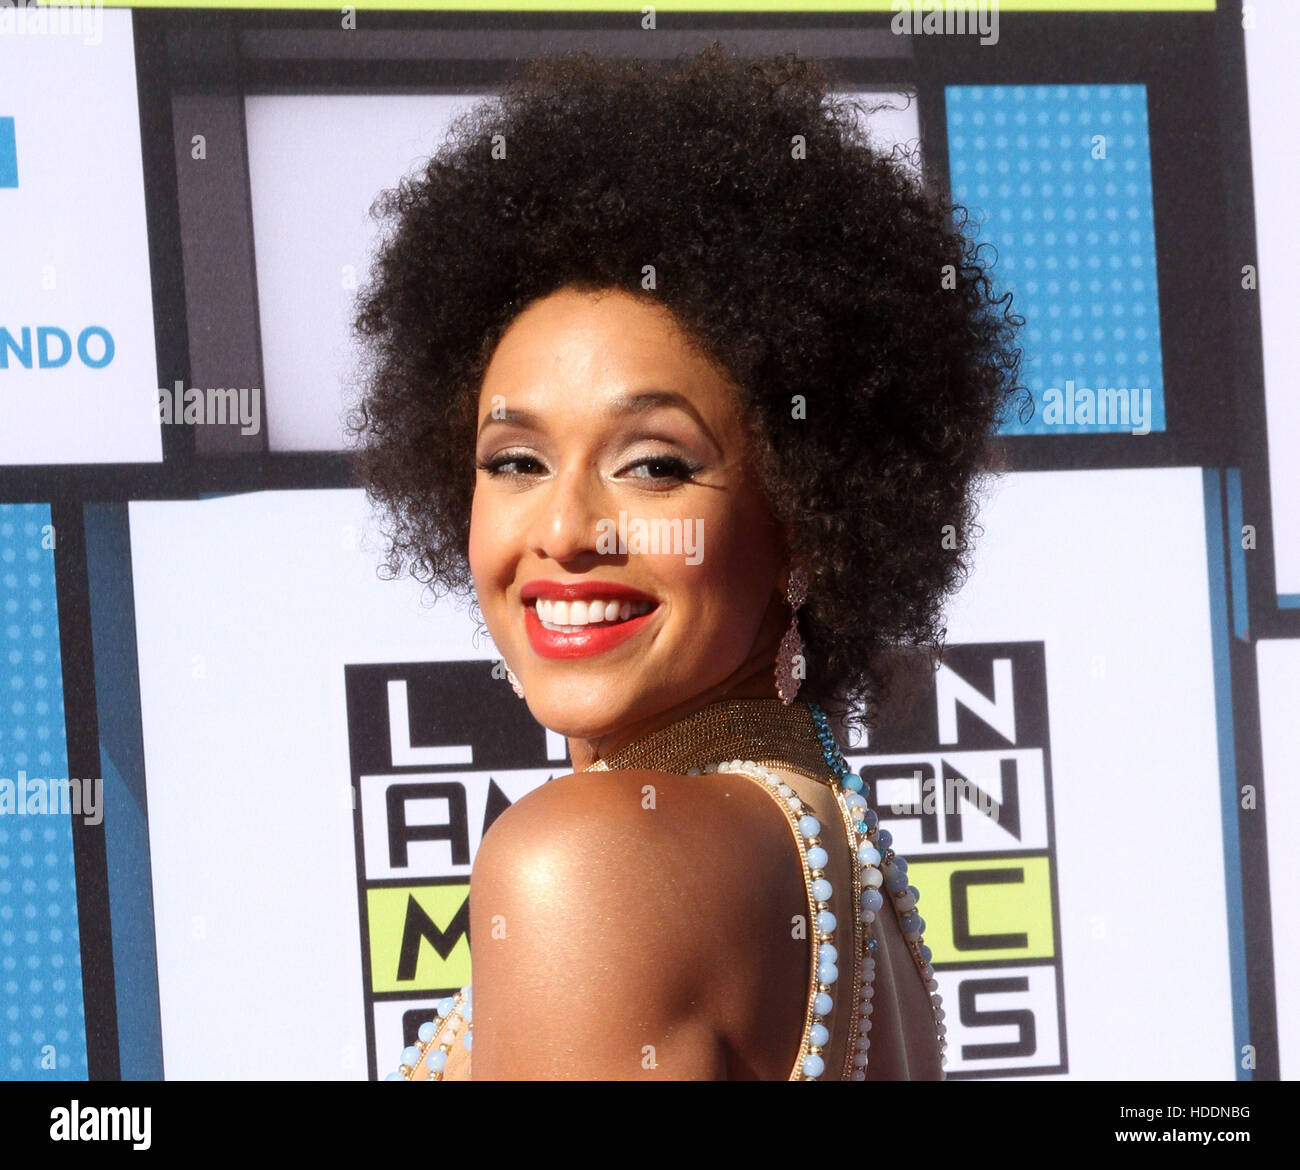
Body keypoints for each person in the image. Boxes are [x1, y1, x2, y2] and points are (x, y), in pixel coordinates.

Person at [347, 43, 1023, 1081]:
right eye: (515, 459)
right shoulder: (832, 848)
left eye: (654, 465)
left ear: (804, 510)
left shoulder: (595, 863)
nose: (566, 530)